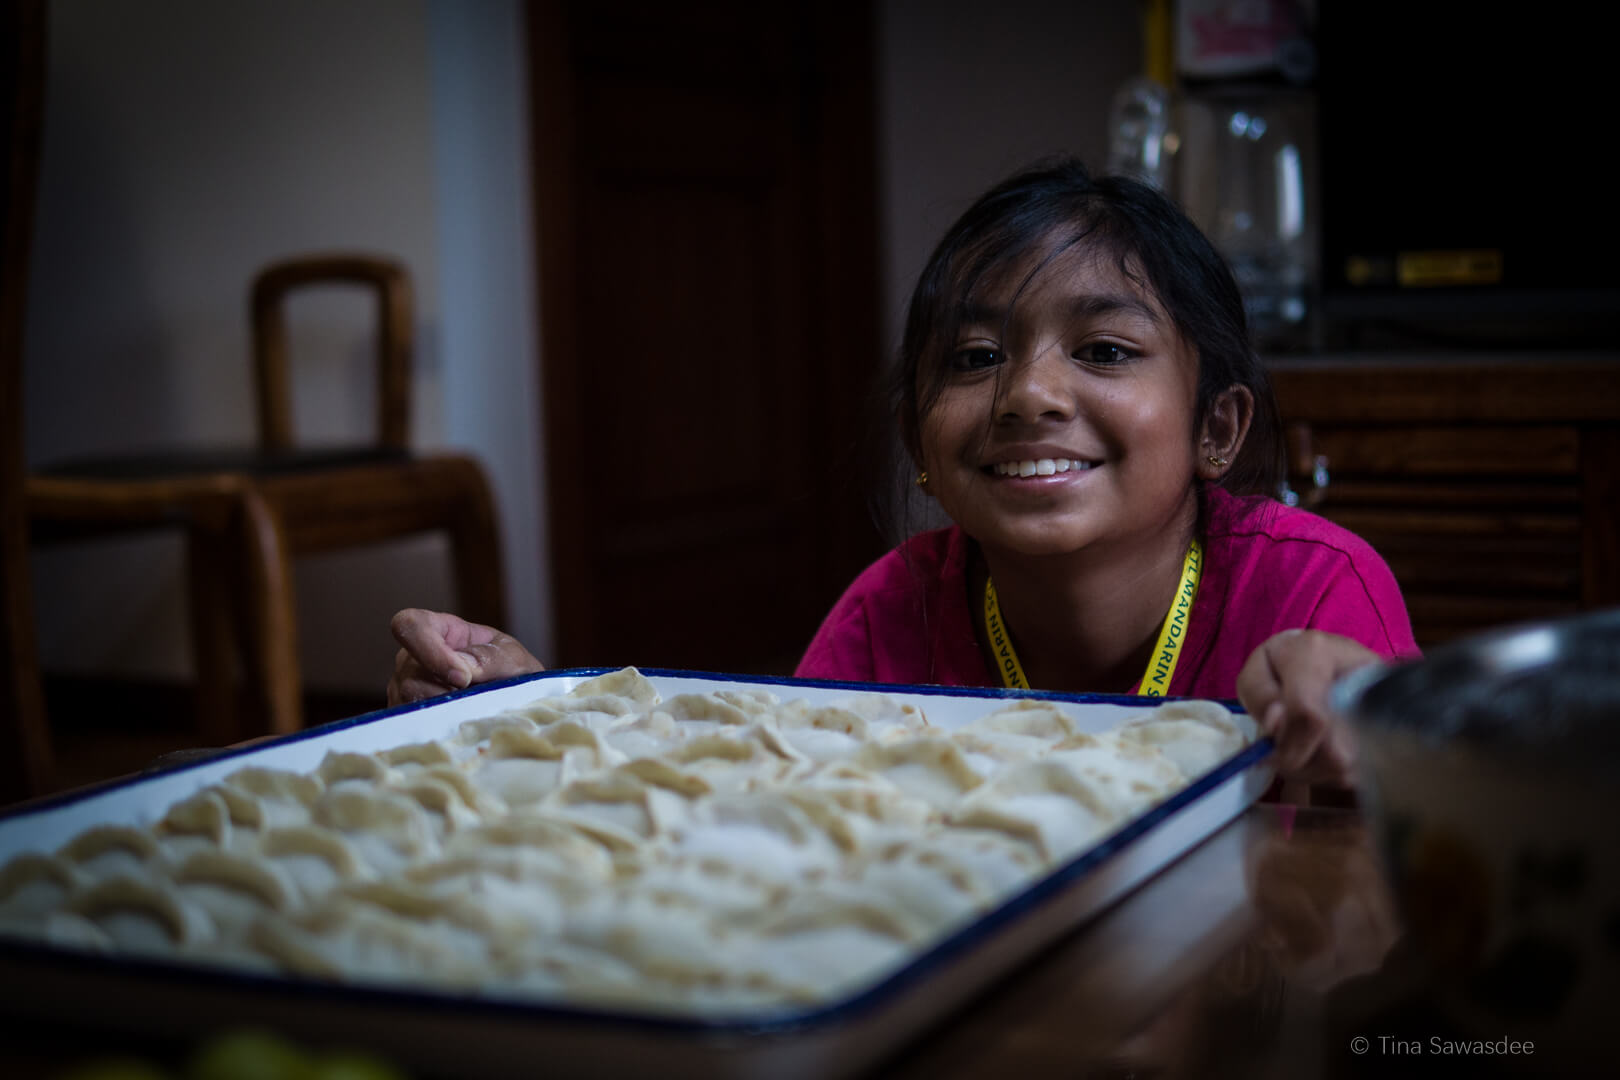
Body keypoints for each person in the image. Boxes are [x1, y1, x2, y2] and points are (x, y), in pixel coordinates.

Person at [387, 158, 1418, 792]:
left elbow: (1413, 839)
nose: (1026, 396)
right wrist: (529, 716)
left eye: (1103, 351)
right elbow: (762, 798)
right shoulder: (888, 615)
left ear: (1218, 427)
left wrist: (1374, 739)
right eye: (974, 359)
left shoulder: (1315, 592)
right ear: (921, 447)